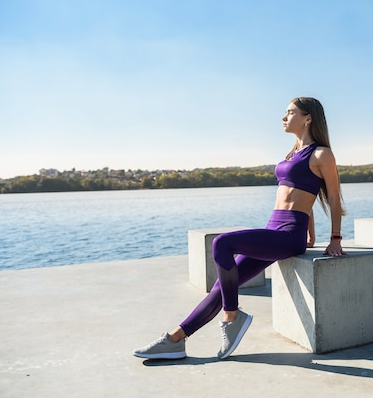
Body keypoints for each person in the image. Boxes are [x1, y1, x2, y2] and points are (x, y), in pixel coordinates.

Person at [133, 97, 347, 360]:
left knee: (221, 243)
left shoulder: (321, 154)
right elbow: (298, 192)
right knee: (219, 290)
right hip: (274, 229)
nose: (283, 117)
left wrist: (335, 238)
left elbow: (334, 197)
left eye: (290, 112)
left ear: (308, 117)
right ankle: (175, 340)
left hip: (288, 236)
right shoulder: (292, 154)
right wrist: (312, 231)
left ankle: (232, 317)